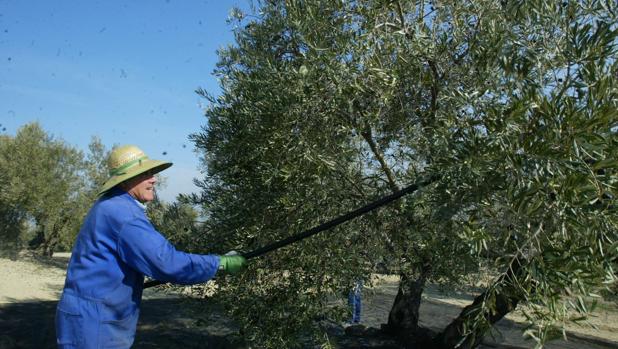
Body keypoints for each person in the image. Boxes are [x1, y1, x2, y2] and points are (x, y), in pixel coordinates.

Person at [55, 145, 247, 349]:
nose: (154, 179)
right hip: (95, 323)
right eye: (145, 174)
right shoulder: (124, 215)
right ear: (126, 179)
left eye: (152, 172)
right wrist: (219, 263)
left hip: (88, 316)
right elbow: (168, 263)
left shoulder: (111, 204)